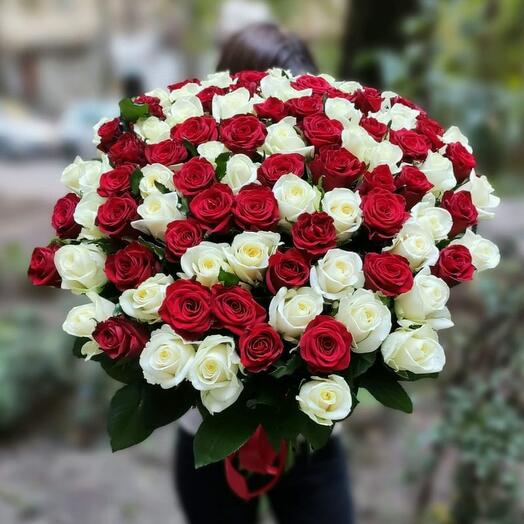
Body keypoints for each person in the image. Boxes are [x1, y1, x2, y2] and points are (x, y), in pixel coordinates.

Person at [173, 23, 355, 524]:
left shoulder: (336, 187)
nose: (289, 119)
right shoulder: (186, 189)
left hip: (312, 436)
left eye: (302, 103)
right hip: (209, 437)